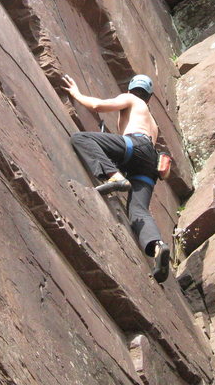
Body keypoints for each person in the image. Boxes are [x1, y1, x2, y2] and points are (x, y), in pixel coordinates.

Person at [62, 73, 171, 283]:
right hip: (149, 164)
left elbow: (98, 106)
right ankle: (158, 247)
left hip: (135, 146)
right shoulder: (153, 123)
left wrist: (76, 94)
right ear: (149, 96)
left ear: (131, 89)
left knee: (81, 138)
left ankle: (114, 177)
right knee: (138, 211)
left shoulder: (132, 99)